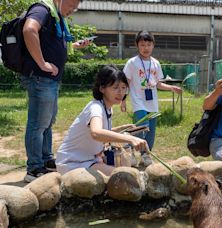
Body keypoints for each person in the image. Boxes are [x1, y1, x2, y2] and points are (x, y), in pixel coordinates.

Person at [21, 0, 91, 182]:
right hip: (40, 78)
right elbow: (29, 30)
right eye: (71, 5)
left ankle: (45, 159)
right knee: (38, 124)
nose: (72, 10)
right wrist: (43, 64)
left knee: (48, 122)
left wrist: (75, 46)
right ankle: (34, 168)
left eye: (76, 7)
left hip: (50, 80)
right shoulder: (42, 9)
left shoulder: (56, 16)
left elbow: (53, 44)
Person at [56, 65, 149, 176]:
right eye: (115, 88)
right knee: (124, 176)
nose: (120, 92)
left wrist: (123, 128)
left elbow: (101, 131)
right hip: (73, 163)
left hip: (88, 160)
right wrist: (130, 139)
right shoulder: (96, 108)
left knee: (124, 169)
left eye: (124, 88)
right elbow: (96, 133)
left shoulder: (106, 107)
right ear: (102, 88)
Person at [122, 30, 182, 167]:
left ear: (153, 45)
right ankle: (128, 147)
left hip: (152, 103)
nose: (146, 48)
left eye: (148, 44)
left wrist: (172, 88)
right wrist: (123, 100)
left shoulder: (156, 63)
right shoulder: (132, 63)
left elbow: (158, 83)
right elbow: (126, 82)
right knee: (143, 127)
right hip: (138, 102)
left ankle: (145, 155)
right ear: (137, 46)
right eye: (142, 45)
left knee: (151, 132)